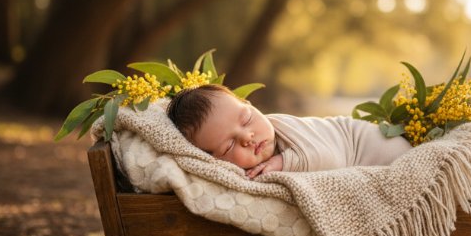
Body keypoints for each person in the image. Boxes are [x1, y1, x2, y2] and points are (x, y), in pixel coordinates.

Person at [166, 84, 411, 179]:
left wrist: (282, 163)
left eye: (246, 119)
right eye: (228, 147)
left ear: (251, 106)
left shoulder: (285, 127)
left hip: (377, 148)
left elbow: (331, 159)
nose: (247, 137)